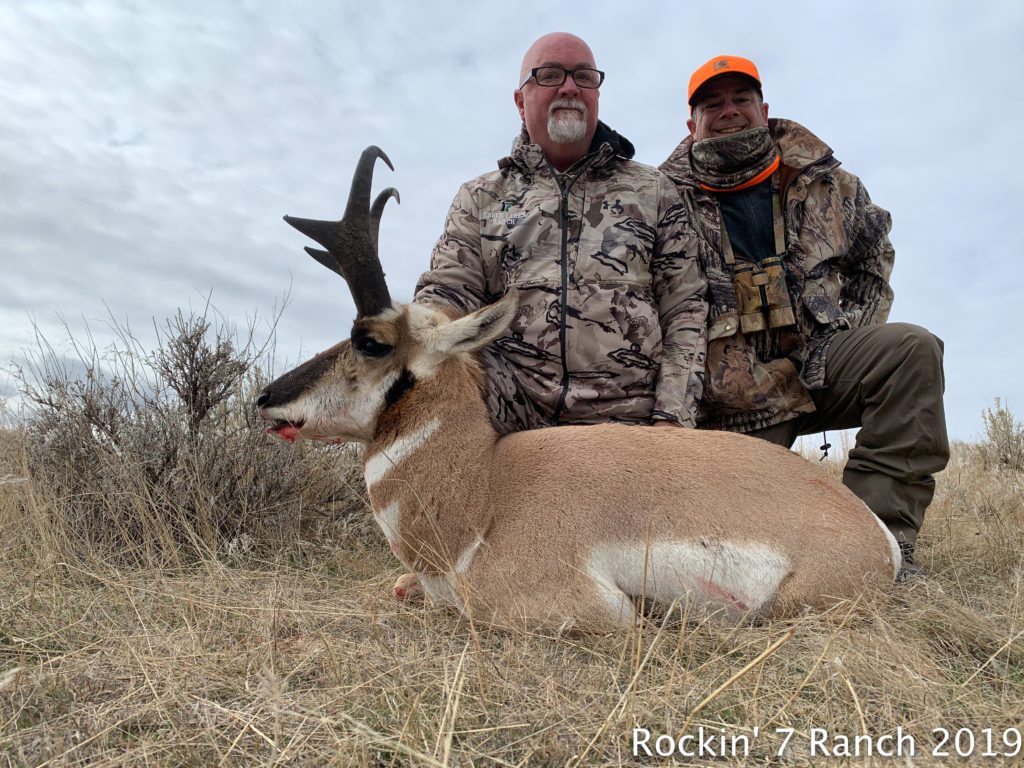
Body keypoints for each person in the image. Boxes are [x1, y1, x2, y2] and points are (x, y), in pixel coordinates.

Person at [659, 55, 948, 578]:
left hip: (821, 369)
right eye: (712, 103)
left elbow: (873, 259)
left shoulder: (828, 182)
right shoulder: (659, 199)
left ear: (763, 108)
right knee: (733, 547)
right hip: (729, 400)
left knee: (912, 351)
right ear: (691, 123)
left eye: (741, 99)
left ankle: (882, 545)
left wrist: (846, 332)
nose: (729, 111)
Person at [415, 32, 708, 434]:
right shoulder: (480, 197)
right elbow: (446, 300)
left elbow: (685, 307)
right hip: (509, 421)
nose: (570, 87)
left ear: (597, 94)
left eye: (584, 77)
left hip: (631, 419)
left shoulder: (654, 190)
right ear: (521, 102)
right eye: (550, 75)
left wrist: (672, 418)